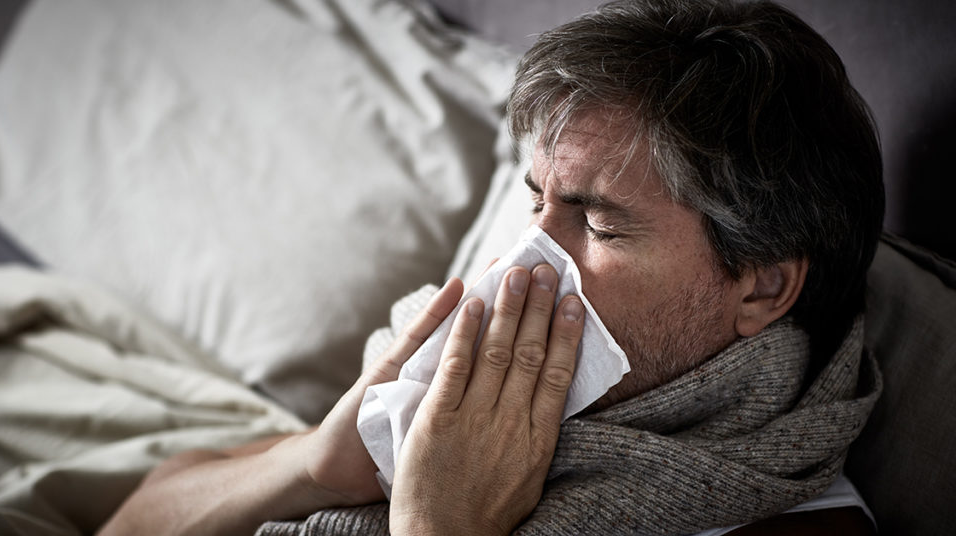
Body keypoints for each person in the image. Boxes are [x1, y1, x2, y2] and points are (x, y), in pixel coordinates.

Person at [100, 0, 884, 534]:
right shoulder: (455, 409)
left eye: (599, 223)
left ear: (764, 287)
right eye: (537, 202)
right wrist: (316, 468)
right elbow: (128, 523)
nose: (519, 267)